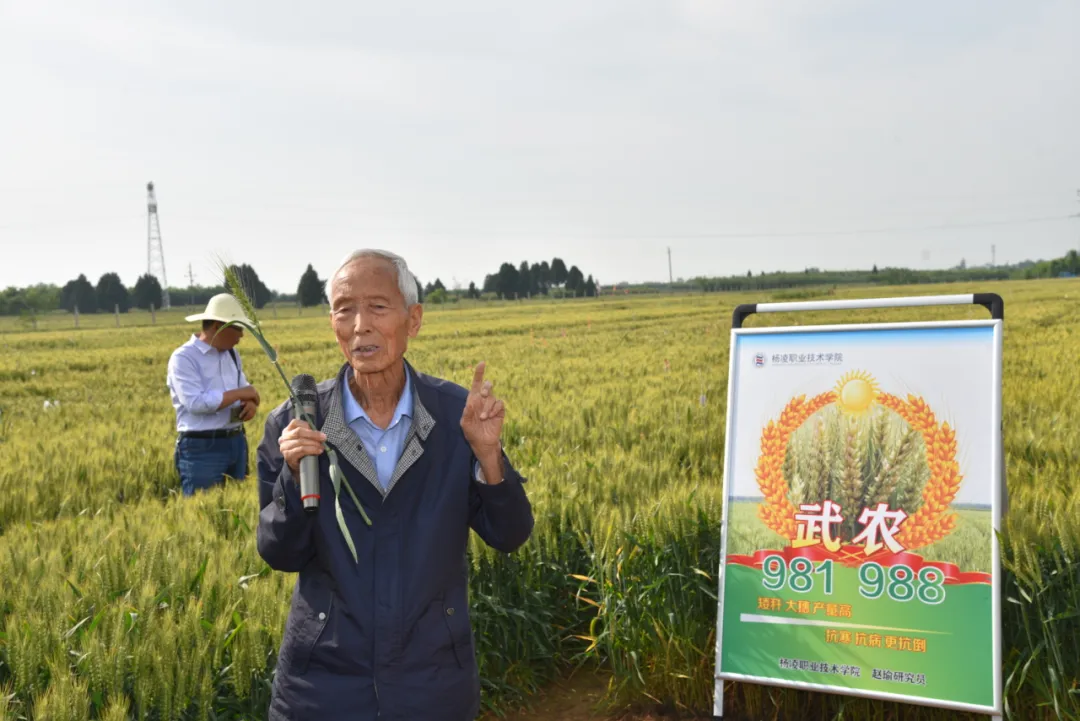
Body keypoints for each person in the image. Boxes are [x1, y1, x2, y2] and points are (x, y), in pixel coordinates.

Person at [256, 249, 534, 721]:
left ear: (414, 319)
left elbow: (510, 535)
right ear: (332, 323)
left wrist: (488, 455)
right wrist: (292, 470)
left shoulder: (455, 417)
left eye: (378, 307)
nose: (360, 324)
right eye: (345, 309)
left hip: (431, 687)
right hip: (322, 690)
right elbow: (279, 553)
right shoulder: (295, 423)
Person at [167, 293, 261, 496]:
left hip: (237, 442)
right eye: (238, 328)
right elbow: (196, 403)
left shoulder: (232, 354)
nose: (242, 335)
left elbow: (247, 392)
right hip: (202, 448)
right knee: (202, 516)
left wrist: (250, 404)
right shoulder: (184, 358)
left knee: (237, 511)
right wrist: (241, 393)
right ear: (218, 326)